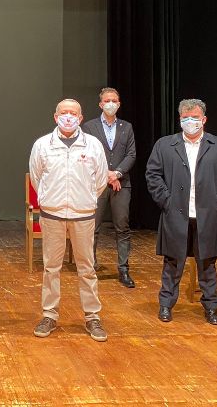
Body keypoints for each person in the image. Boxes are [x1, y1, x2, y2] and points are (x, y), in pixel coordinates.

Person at [146, 99, 217, 325]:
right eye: (185, 118)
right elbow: (153, 175)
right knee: (172, 263)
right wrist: (166, 201)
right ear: (180, 120)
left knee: (207, 265)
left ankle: (211, 307)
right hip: (175, 214)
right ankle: (166, 305)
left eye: (195, 118)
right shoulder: (164, 145)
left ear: (204, 119)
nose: (190, 122)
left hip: (207, 215)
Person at [30, 99, 109, 341]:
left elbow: (100, 180)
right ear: (55, 117)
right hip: (52, 214)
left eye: (73, 113)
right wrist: (49, 199)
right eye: (63, 113)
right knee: (51, 268)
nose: (68, 116)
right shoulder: (42, 145)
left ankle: (92, 317)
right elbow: (36, 178)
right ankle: (49, 315)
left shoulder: (93, 145)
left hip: (83, 214)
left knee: (87, 268)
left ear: (80, 118)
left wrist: (84, 199)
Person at [82, 87, 137, 287]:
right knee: (93, 227)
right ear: (100, 104)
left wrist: (117, 173)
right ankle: (90, 268)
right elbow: (86, 154)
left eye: (114, 100)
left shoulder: (127, 127)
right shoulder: (89, 127)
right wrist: (105, 174)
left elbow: (131, 154)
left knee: (122, 227)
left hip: (121, 184)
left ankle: (123, 270)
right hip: (96, 183)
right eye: (107, 101)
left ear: (119, 104)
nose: (110, 104)